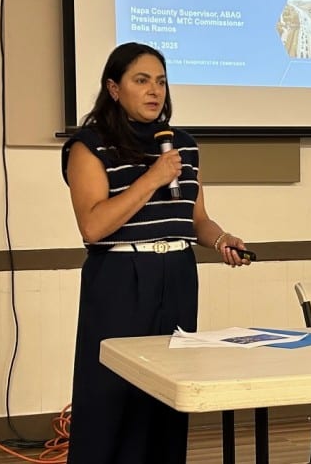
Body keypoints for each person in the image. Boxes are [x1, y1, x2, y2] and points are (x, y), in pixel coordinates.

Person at [62, 42, 250, 464]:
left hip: (178, 274)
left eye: (161, 82)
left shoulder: (182, 145)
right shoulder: (89, 145)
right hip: (120, 276)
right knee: (113, 394)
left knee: (167, 395)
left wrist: (222, 240)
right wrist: (152, 178)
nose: (154, 91)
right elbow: (93, 226)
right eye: (141, 80)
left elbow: (196, 219)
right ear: (114, 88)